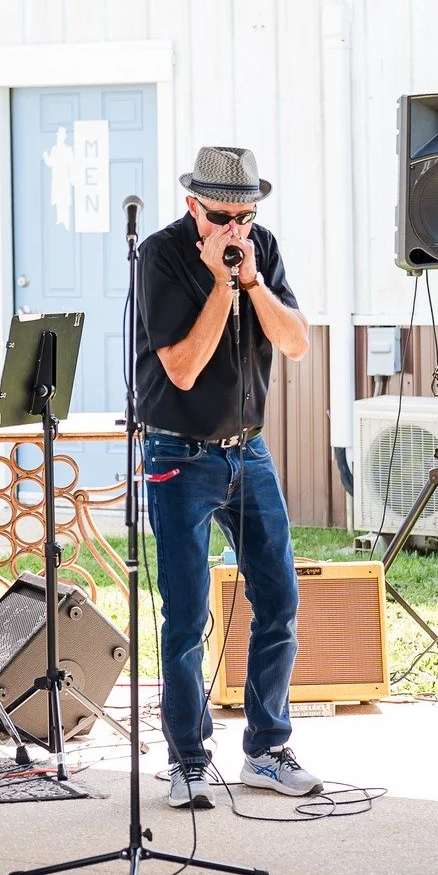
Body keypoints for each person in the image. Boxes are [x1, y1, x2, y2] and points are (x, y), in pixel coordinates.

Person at [134, 146, 322, 809]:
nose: (236, 229)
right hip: (179, 452)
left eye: (245, 215)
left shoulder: (260, 250)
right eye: (222, 216)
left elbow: (296, 342)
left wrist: (250, 282)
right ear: (194, 208)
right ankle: (187, 757)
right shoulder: (160, 257)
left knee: (280, 599)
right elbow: (182, 368)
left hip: (248, 451)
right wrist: (219, 284)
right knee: (185, 616)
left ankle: (266, 749)